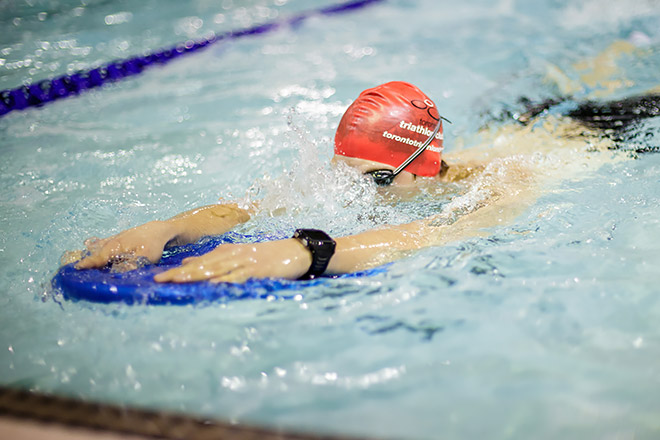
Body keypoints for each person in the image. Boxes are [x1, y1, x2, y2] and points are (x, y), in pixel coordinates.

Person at [73, 80, 660, 283]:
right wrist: (165, 227)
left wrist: (305, 252)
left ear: (420, 167)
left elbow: (434, 234)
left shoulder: (508, 180)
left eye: (376, 180)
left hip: (604, 136)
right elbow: (243, 208)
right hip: (520, 121)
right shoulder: (371, 171)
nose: (353, 191)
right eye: (342, 171)